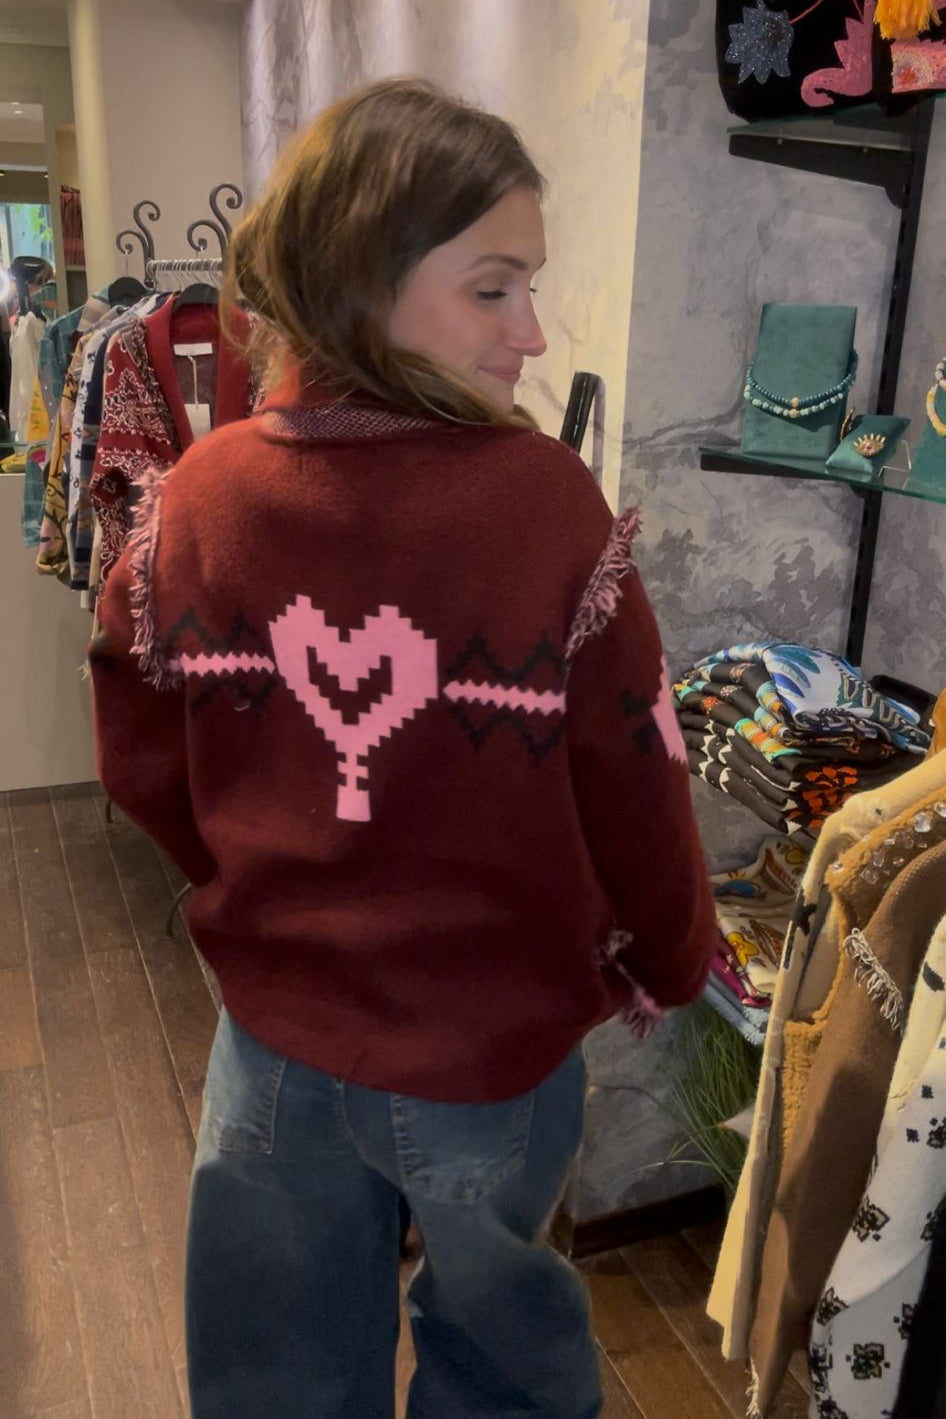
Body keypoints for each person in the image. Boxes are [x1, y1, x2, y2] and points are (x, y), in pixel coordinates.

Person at [90, 77, 717, 1419]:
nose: (531, 332)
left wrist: (257, 874)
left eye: (529, 288)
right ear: (361, 279)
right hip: (493, 1056)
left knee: (275, 1369)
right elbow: (636, 766)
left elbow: (137, 741)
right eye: (493, 289)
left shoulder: (201, 495)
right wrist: (668, 952)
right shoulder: (545, 503)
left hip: (275, 1046)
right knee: (504, 1370)